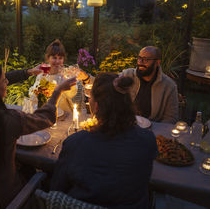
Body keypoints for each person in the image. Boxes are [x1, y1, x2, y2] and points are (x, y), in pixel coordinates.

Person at [0, 62, 76, 208]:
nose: (7, 83)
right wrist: (57, 93)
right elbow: (45, 118)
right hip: (2, 197)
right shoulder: (9, 120)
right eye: (4, 80)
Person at [51, 73, 157, 208]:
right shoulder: (147, 141)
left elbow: (57, 188)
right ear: (128, 104)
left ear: (96, 106)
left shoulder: (75, 143)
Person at [120, 46, 179, 124]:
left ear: (157, 63)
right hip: (124, 126)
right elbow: (110, 86)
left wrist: (154, 132)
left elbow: (171, 118)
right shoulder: (127, 75)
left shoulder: (169, 86)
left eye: (146, 60)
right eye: (139, 58)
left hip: (152, 130)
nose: (140, 62)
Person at [30, 39, 87, 113]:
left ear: (63, 59)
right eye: (54, 58)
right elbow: (34, 96)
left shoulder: (67, 74)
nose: (57, 61)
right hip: (46, 113)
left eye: (60, 58)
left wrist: (67, 81)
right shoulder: (42, 75)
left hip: (65, 114)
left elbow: (73, 95)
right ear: (48, 58)